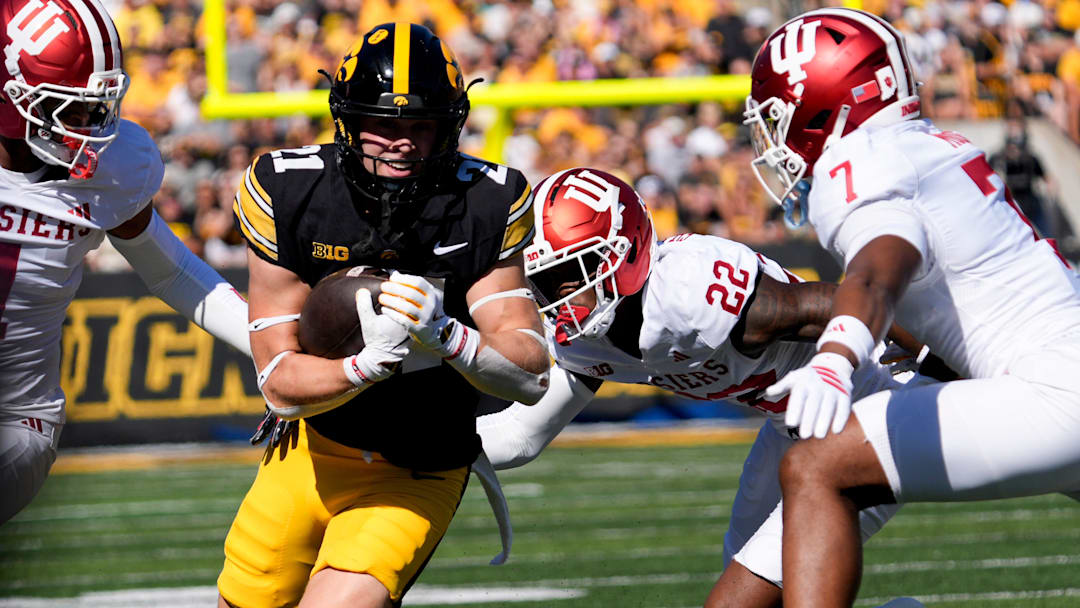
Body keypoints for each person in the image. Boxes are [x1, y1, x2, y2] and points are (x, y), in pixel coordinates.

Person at [742, 8, 1080, 607]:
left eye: (777, 119)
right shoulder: (923, 145)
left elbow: (881, 264)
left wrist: (837, 355)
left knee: (816, 467)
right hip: (1060, 363)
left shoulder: (859, 161)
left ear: (822, 104)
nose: (772, 141)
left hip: (1055, 390)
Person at [476, 167, 934, 608]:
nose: (559, 299)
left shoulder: (691, 294)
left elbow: (842, 301)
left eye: (573, 272)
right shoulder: (584, 342)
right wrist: (417, 446)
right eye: (544, 282)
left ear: (623, 251)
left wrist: (943, 363)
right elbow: (521, 435)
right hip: (791, 428)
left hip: (865, 406)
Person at [217, 23, 550, 608]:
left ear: (450, 126)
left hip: (416, 467)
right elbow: (279, 387)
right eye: (383, 124)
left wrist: (448, 336)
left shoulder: (486, 201)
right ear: (347, 121)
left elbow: (529, 373)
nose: (402, 142)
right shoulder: (290, 190)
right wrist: (369, 365)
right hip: (308, 452)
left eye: (421, 126)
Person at [0, 0, 250, 525]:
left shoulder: (112, 167)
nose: (91, 127)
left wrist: (267, 347)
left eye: (97, 106)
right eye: (69, 109)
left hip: (15, 422)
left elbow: (173, 270)